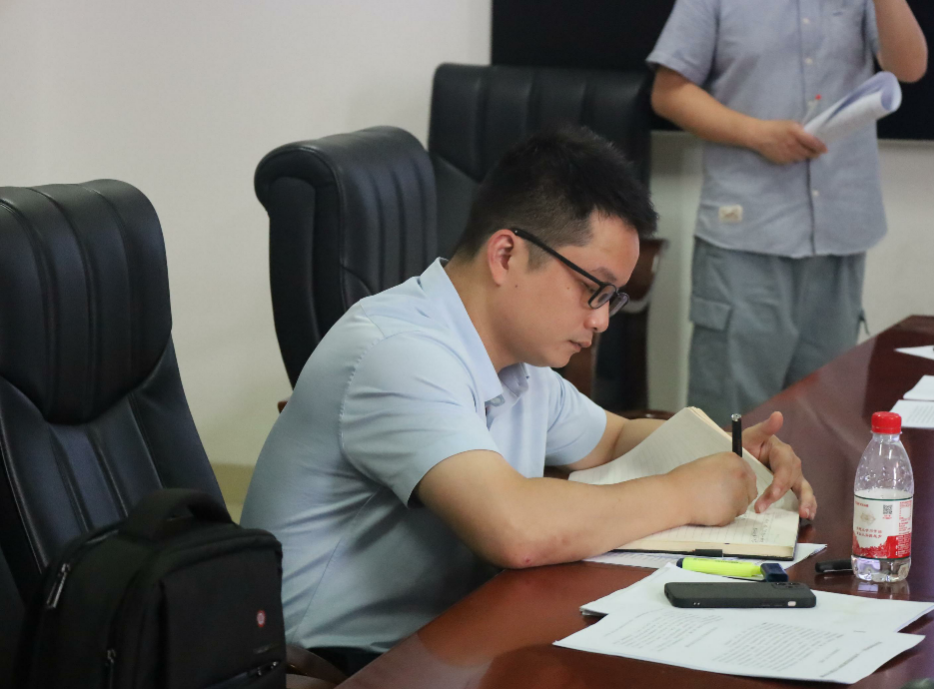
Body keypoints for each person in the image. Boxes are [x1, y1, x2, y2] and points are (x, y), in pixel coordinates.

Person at [241, 127, 817, 674]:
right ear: (506, 255)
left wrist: (730, 454)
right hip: (337, 666)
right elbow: (515, 528)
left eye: (612, 298)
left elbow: (614, 438)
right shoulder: (399, 352)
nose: (600, 320)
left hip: (449, 638)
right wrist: (685, 493)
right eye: (593, 289)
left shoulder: (517, 359)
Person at [649, 0, 928, 422]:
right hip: (747, 234)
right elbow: (669, 93)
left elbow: (909, 68)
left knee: (825, 420)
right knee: (733, 421)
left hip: (838, 234)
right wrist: (756, 134)